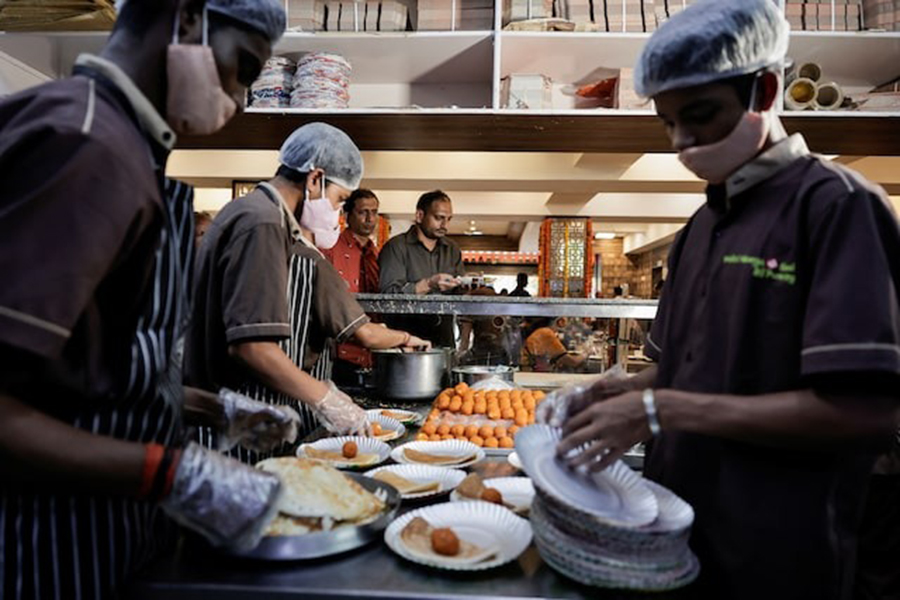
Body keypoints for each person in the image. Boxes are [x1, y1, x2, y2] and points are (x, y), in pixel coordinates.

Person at [542, 2, 900, 599]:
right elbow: (680, 369)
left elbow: (866, 412)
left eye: (700, 117)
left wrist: (663, 411)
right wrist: (619, 391)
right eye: (668, 124)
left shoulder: (837, 207)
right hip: (675, 532)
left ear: (764, 88)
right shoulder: (701, 228)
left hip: (779, 549)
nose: (682, 143)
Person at [0, 1, 293, 598]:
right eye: (244, 69)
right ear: (186, 17)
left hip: (112, 532)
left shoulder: (125, 148)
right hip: (48, 546)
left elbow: (85, 372)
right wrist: (175, 472)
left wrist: (217, 411)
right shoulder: (85, 144)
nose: (239, 101)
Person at [187, 123, 428, 464]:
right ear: (314, 180)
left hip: (228, 421)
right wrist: (327, 399)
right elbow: (251, 347)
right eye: (340, 200)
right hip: (234, 432)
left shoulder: (246, 212)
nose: (337, 213)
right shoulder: (264, 222)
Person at [379, 190, 464, 346]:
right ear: (419, 215)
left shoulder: (452, 249)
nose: (444, 225)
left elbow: (459, 297)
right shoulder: (396, 247)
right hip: (405, 343)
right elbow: (387, 296)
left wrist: (471, 287)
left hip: (443, 342)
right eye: (439, 218)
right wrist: (428, 284)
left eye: (448, 219)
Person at [323, 188, 381, 294]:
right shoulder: (331, 247)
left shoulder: (376, 254)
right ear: (347, 215)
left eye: (374, 212)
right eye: (363, 212)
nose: (370, 219)